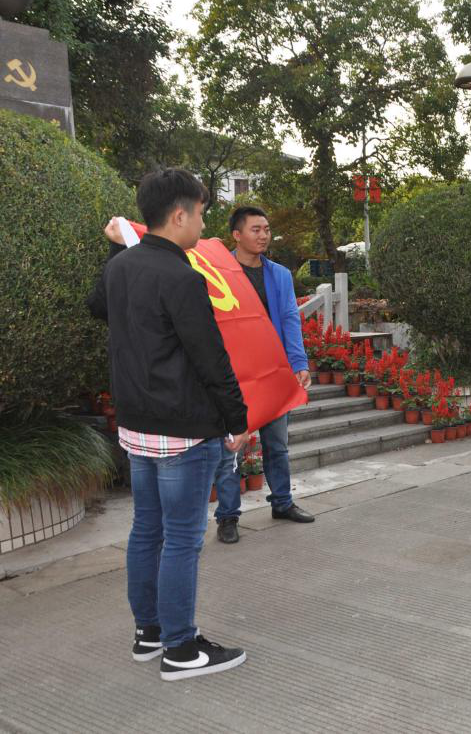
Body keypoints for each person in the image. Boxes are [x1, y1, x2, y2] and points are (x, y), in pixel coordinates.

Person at [87, 168, 249, 681]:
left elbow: (97, 307)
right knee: (181, 539)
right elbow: (210, 357)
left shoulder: (121, 267)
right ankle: (180, 649)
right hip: (183, 428)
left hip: (137, 425)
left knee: (147, 531)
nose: (203, 223)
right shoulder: (181, 276)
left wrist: (116, 247)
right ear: (179, 215)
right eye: (200, 213)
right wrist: (238, 419)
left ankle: (149, 633)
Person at [213, 206, 315, 544]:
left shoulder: (280, 275)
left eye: (267, 229)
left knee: (277, 445)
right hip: (234, 377)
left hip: (272, 373)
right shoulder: (219, 273)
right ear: (236, 235)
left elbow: (289, 318)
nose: (263, 235)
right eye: (255, 229)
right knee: (232, 450)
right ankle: (228, 517)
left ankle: (282, 502)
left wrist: (298, 363)